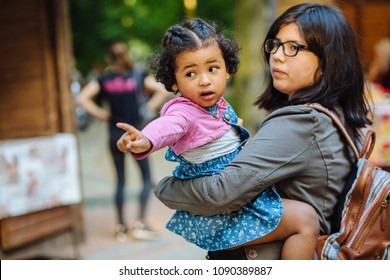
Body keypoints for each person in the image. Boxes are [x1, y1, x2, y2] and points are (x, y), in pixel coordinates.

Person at [146, 3, 372, 260]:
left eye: (293, 48)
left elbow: (221, 193)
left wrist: (166, 188)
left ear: (328, 58)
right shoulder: (337, 113)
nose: (277, 55)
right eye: (274, 44)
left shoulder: (299, 123)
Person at [116, 18, 320, 259]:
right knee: (306, 220)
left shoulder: (216, 105)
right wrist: (145, 140)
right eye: (191, 73)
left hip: (237, 198)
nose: (204, 80)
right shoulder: (184, 110)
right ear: (174, 81)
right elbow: (168, 126)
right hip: (224, 214)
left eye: (212, 69)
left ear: (227, 70)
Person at [77, 41, 171, 241]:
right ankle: (140, 224)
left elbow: (82, 98)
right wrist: (148, 108)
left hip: (115, 135)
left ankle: (121, 228)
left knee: (120, 180)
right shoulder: (138, 76)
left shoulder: (104, 79)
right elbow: (162, 91)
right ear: (127, 54)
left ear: (108, 58)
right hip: (137, 136)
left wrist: (104, 115)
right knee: (146, 179)